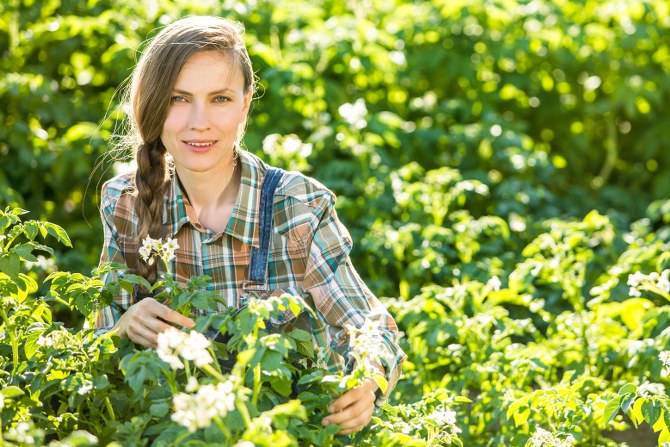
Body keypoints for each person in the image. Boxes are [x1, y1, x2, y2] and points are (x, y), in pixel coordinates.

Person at [95, 15, 405, 435]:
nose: (198, 122)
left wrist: (368, 381)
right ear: (151, 106)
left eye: (219, 99)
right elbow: (93, 349)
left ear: (245, 103)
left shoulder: (293, 206)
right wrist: (122, 326)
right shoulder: (126, 202)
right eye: (178, 98)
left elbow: (368, 324)